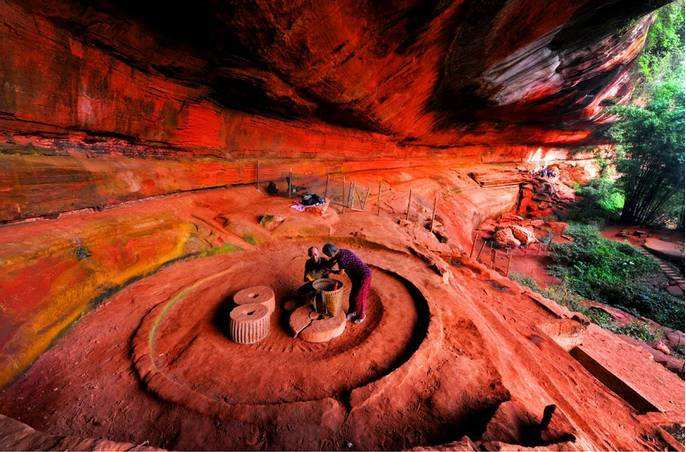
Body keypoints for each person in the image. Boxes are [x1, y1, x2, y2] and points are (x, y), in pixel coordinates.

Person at [322, 243, 372, 324]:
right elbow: (332, 261)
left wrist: (330, 271)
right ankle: (352, 311)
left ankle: (361, 316)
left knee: (359, 297)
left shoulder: (342, 258)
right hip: (356, 277)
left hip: (364, 276)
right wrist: (325, 265)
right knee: (353, 295)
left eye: (328, 255)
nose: (328, 256)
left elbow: (340, 273)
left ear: (332, 253)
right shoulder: (340, 252)